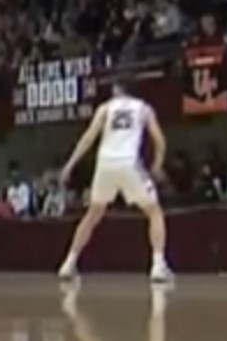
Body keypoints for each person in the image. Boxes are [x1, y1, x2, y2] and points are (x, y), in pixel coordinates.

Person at [54, 81, 173, 282]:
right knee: (154, 211)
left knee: (93, 214)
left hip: (105, 165)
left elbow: (88, 138)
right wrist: (157, 164)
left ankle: (68, 263)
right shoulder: (144, 108)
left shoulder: (105, 108)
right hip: (129, 163)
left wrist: (70, 165)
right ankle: (158, 265)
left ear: (119, 89)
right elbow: (159, 139)